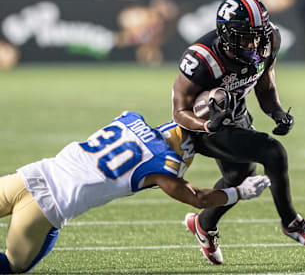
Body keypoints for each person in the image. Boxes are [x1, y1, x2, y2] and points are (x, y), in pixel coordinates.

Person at [172, 0, 305, 265]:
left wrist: (276, 112)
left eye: (258, 35)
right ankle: (291, 222)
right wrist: (206, 124)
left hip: (236, 115)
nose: (254, 43)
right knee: (273, 152)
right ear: (226, 33)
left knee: (239, 175)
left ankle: (203, 224)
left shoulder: (269, 40)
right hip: (202, 126)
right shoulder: (201, 59)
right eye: (246, 36)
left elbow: (265, 85)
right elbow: (179, 113)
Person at [0, 111, 270, 274]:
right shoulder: (164, 164)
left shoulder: (131, 118)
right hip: (46, 207)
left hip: (28, 176)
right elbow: (198, 198)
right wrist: (240, 192)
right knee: (15, 265)